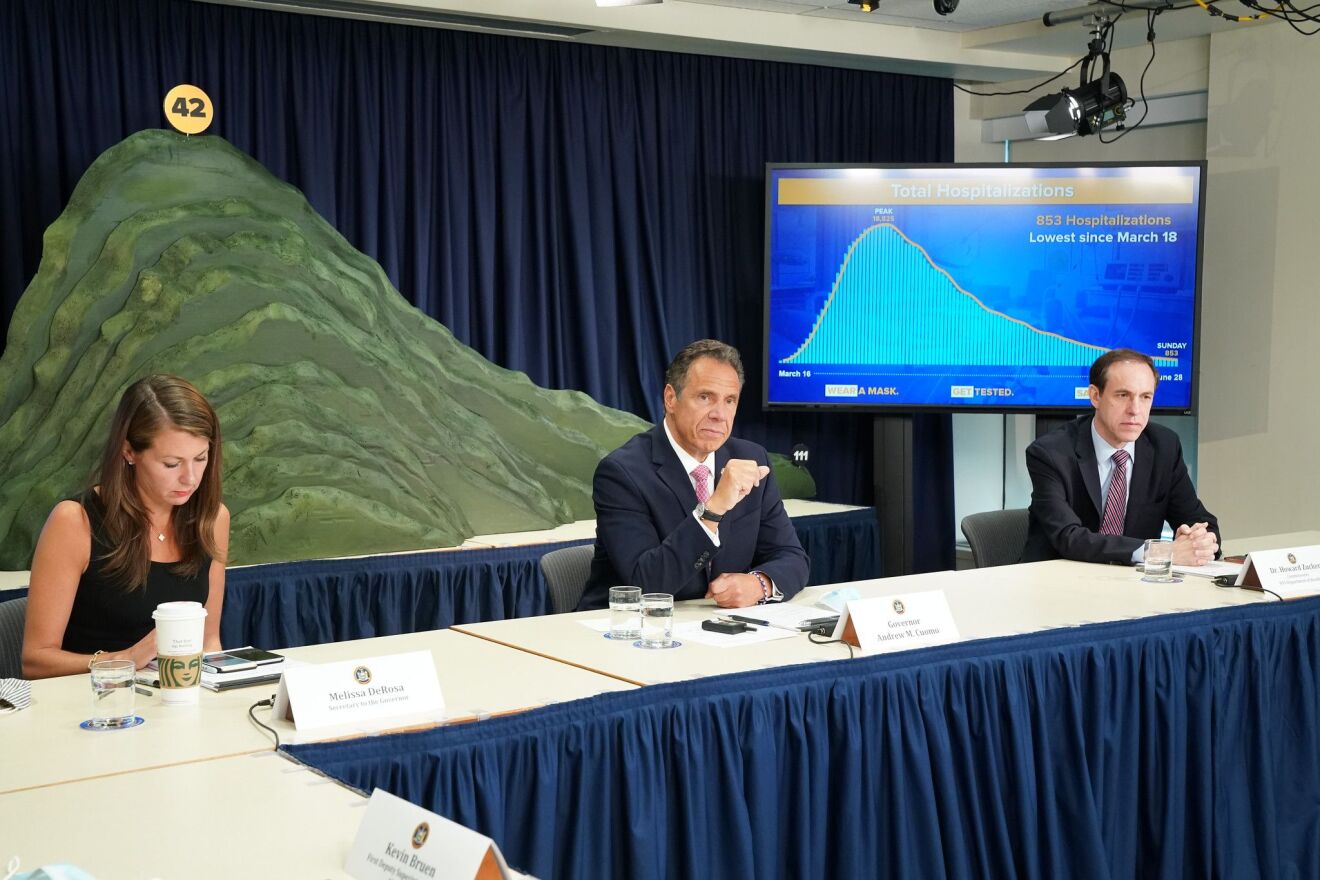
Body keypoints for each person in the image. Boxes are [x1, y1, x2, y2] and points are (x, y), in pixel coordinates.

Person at [21, 375, 229, 679]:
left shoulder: (213, 518)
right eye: (172, 464)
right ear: (129, 451)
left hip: (176, 698)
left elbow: (209, 642)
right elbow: (35, 661)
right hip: (93, 700)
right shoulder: (74, 521)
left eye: (200, 458)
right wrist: (127, 658)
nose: (190, 478)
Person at [578, 339, 809, 610]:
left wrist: (759, 584)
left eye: (730, 400)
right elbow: (647, 584)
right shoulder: (622, 473)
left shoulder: (751, 459)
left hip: (715, 626)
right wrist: (714, 508)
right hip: (626, 627)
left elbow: (792, 557)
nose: (719, 414)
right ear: (670, 399)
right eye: (705, 397)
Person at [1021, 348, 1219, 566]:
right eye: (1123, 395)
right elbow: (1068, 537)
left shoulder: (1164, 446)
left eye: (1145, 397)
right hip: (1058, 578)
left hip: (1133, 581)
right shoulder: (1051, 453)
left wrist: (1201, 541)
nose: (1135, 410)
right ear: (1095, 396)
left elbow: (1200, 521)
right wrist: (1159, 552)